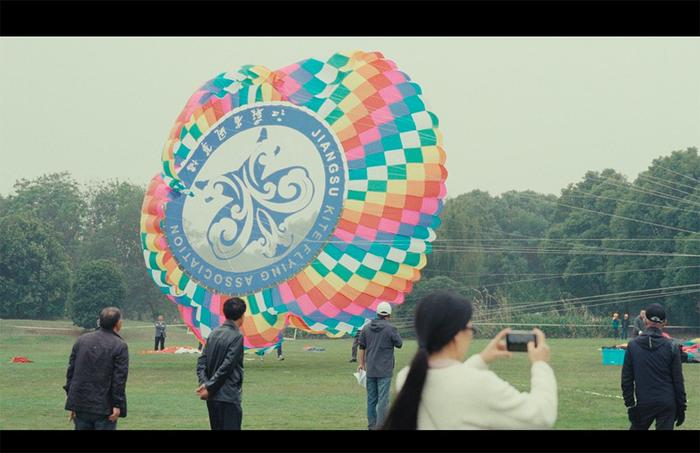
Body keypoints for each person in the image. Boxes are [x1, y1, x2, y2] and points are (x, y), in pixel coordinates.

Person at [382, 291, 557, 430]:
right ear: (457, 334)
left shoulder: (406, 378)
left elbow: (449, 383)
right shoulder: (481, 384)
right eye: (471, 329)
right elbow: (541, 415)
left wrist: (481, 359)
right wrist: (540, 364)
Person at [621, 303, 687, 431]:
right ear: (665, 323)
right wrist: (681, 406)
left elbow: (627, 379)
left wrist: (630, 404)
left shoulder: (633, 345)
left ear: (645, 320)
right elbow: (678, 380)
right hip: (667, 402)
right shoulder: (672, 346)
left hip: (644, 402)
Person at [63, 307, 129, 430]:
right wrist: (117, 404)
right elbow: (119, 379)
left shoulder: (82, 340)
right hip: (104, 407)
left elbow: (71, 372)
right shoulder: (119, 345)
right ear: (118, 323)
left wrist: (72, 398)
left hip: (80, 403)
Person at [196, 297, 246, 430]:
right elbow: (227, 366)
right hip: (228, 396)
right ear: (242, 316)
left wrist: (205, 384)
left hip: (212, 398)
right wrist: (209, 387)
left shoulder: (213, 333)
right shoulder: (237, 336)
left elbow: (201, 361)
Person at [358, 301, 403, 430]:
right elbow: (399, 344)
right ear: (388, 315)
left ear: (377, 313)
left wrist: (361, 364)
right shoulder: (391, 328)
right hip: (385, 370)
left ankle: (371, 426)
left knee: (371, 400)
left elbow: (362, 347)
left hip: (370, 369)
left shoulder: (366, 328)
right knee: (383, 401)